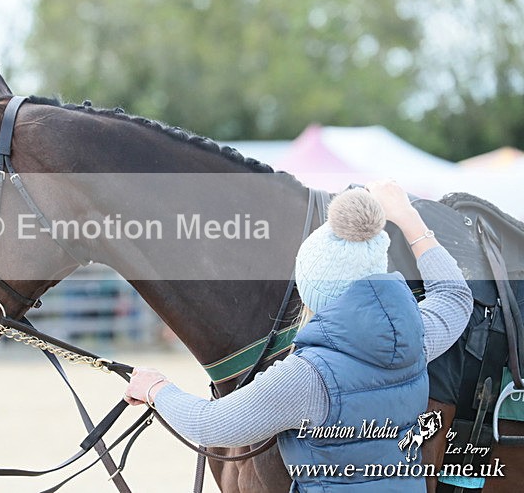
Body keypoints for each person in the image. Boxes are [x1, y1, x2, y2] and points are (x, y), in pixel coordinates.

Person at [124, 180, 473, 491]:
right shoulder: (415, 337)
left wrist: (156, 388)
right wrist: (408, 216)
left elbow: (211, 426)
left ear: (310, 290)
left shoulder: (307, 377)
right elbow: (455, 294)